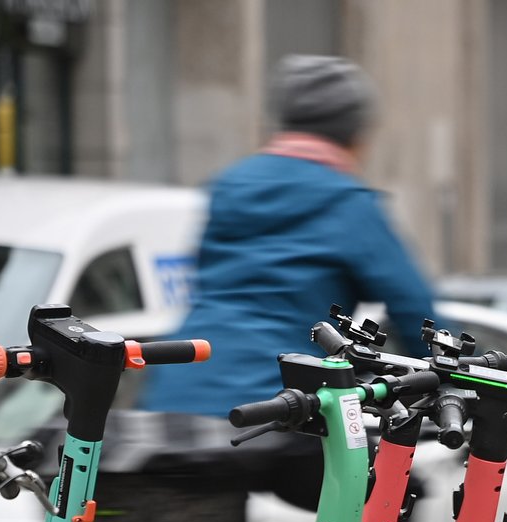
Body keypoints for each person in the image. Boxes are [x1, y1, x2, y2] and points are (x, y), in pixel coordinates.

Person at [143, 54, 435, 417]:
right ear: (357, 136)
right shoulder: (347, 203)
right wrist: (447, 384)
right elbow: (417, 313)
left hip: (177, 390)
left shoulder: (230, 185)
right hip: (276, 406)